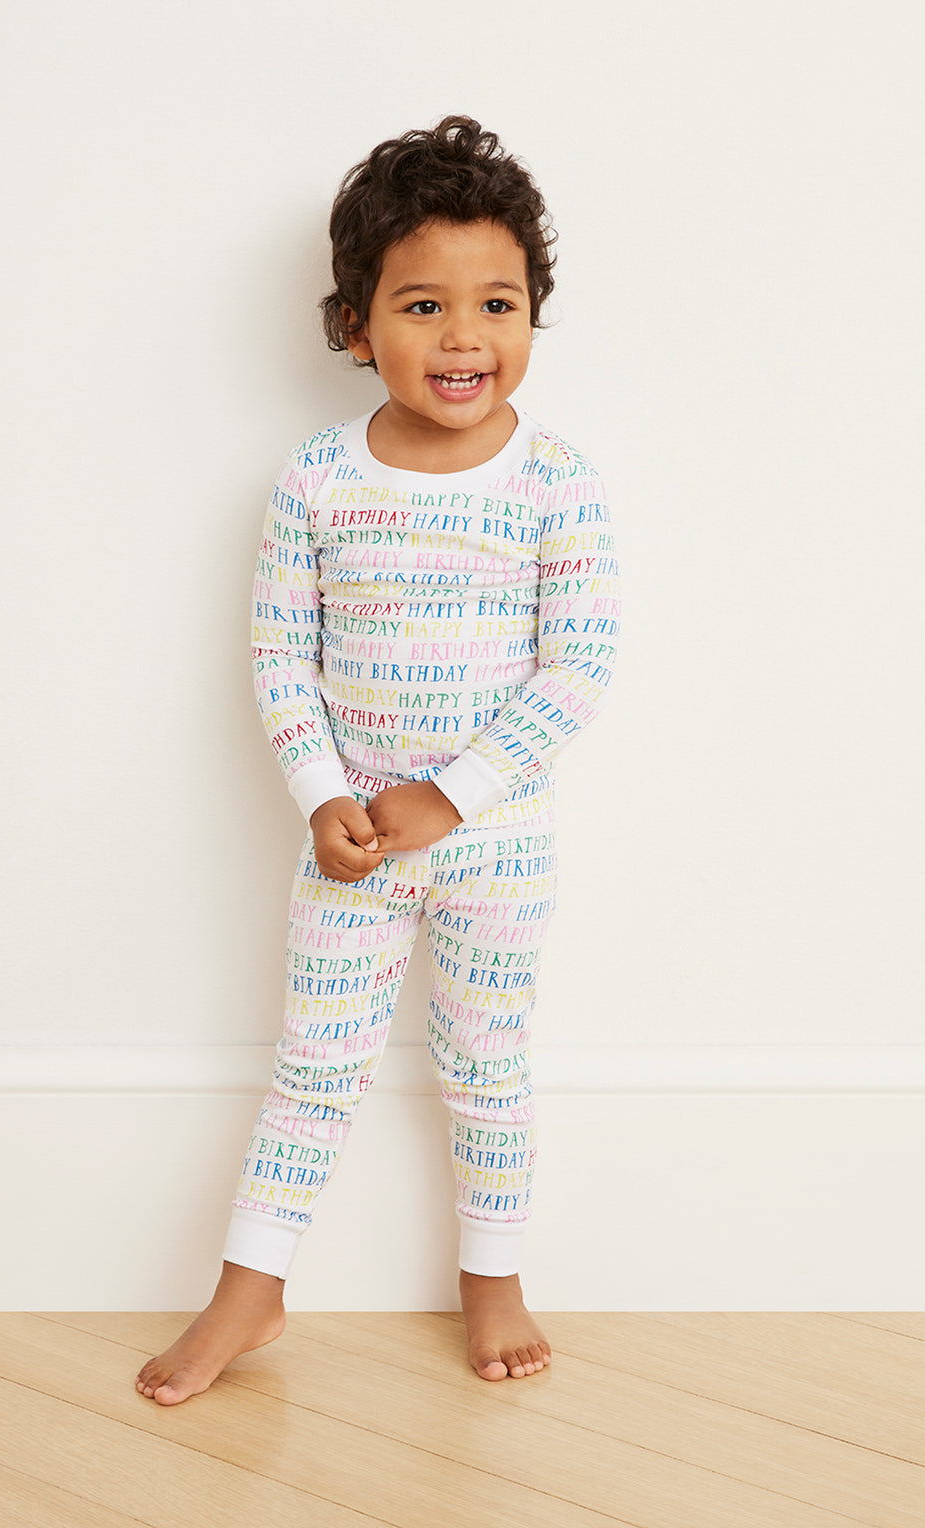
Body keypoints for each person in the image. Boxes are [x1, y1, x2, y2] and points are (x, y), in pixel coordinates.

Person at [136, 115, 620, 1404]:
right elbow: (279, 663)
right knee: (317, 1063)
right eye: (422, 305)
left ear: (533, 314)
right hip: (351, 845)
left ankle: (495, 1273)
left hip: (494, 845)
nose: (463, 336)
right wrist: (325, 799)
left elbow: (575, 674)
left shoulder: (556, 485)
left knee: (487, 1058)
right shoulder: (313, 481)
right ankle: (253, 1290)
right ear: (357, 324)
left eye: (496, 303)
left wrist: (447, 798)